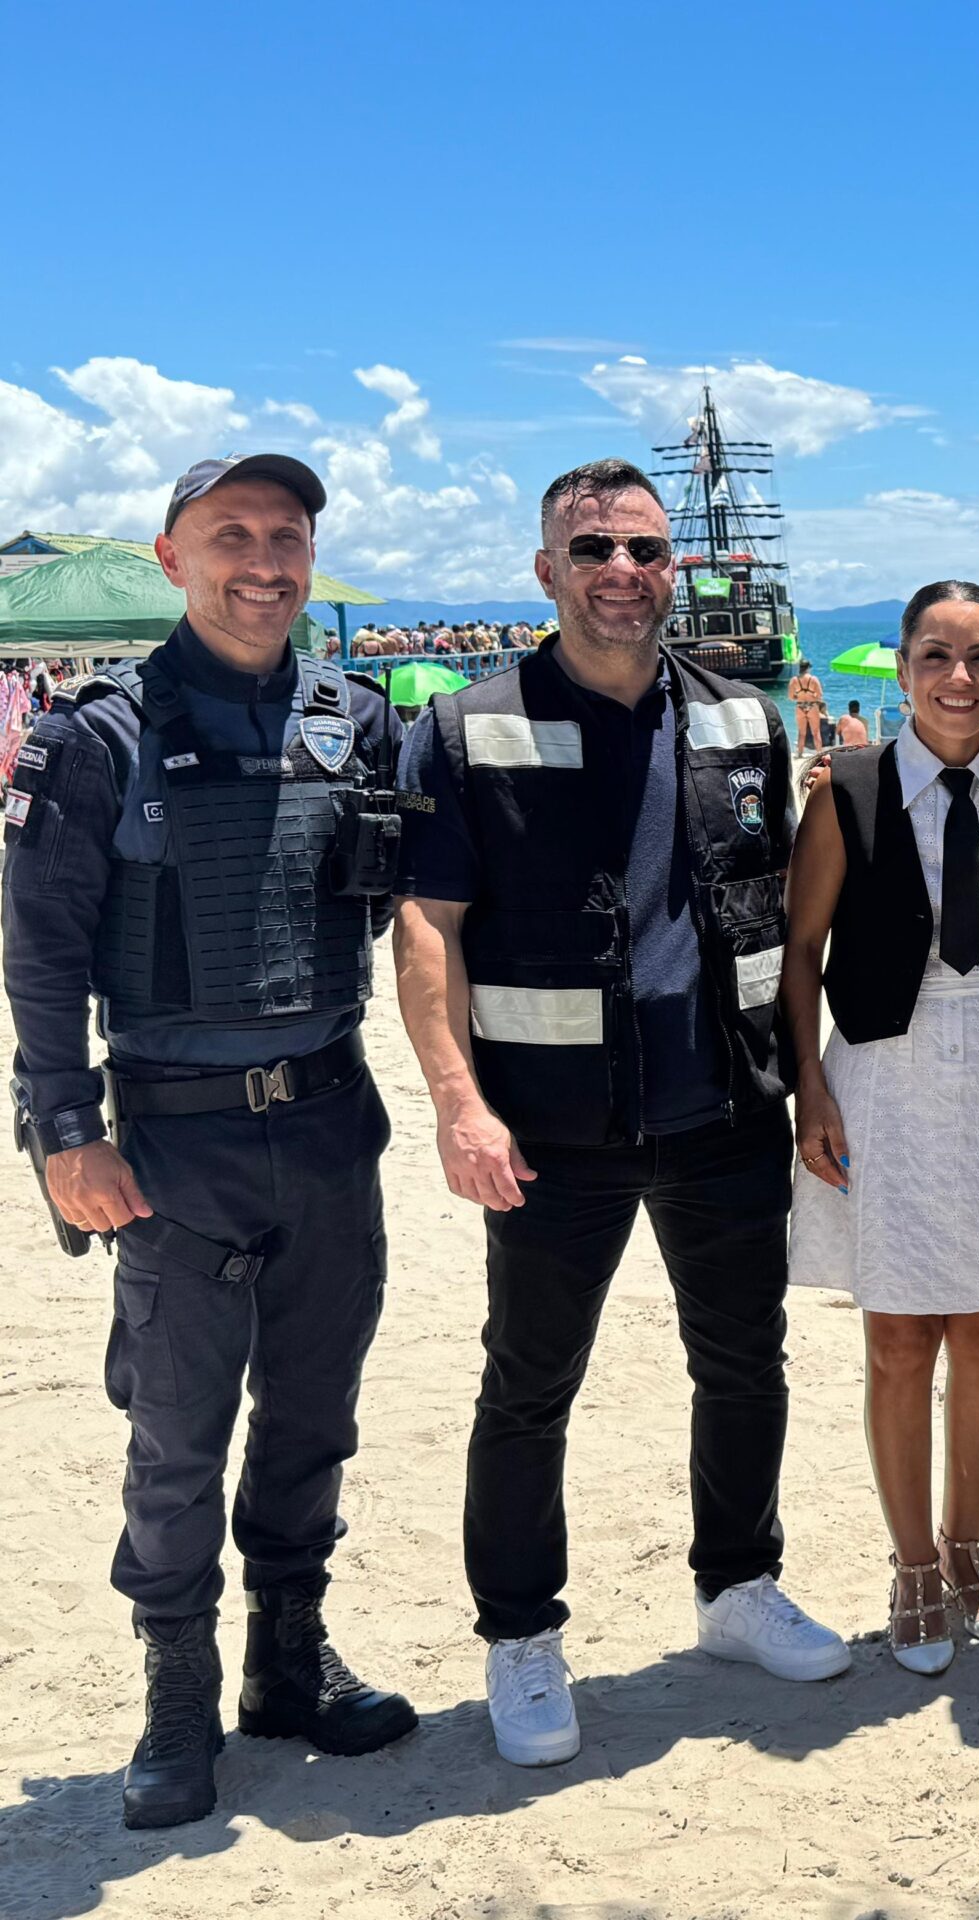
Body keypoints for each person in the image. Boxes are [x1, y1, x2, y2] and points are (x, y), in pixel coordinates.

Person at [392, 459, 847, 1771]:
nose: (621, 570)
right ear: (547, 570)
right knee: (529, 1389)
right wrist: (459, 1107)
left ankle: (737, 1589)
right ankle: (523, 1637)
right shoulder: (469, 728)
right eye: (592, 547)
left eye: (645, 548)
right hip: (548, 1129)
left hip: (723, 1111)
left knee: (744, 1365)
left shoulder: (747, 722)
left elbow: (787, 916)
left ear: (674, 569)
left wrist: (807, 1082)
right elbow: (429, 927)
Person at [2, 453, 415, 1829]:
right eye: (230, 535)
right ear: (174, 558)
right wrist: (62, 1129)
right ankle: (176, 1694)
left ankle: (286, 1666)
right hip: (171, 1144)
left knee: (316, 1415)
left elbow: (427, 913)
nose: (263, 561)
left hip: (332, 1124)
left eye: (285, 536)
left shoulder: (361, 721)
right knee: (175, 1435)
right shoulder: (99, 740)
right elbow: (44, 951)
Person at [782, 581, 979, 1676]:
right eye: (937, 657)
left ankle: (966, 1550)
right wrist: (810, 1090)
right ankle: (909, 1562)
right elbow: (801, 951)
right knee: (899, 1338)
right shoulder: (848, 790)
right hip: (883, 1081)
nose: (961, 678)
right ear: (902, 671)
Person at [789, 660, 828, 753]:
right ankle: (819, 752)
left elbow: (790, 697)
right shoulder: (813, 679)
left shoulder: (794, 680)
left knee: (801, 732)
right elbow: (819, 695)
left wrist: (799, 696)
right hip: (812, 705)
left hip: (800, 706)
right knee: (816, 732)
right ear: (808, 668)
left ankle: (799, 753)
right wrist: (812, 696)